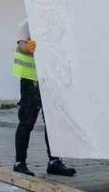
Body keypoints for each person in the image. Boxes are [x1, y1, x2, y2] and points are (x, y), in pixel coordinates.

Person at [12, 20, 75, 177]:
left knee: (53, 122)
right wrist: (27, 48)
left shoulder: (53, 23)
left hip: (50, 80)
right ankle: (19, 162)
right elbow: (21, 44)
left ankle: (54, 162)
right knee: (27, 121)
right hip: (31, 80)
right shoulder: (28, 23)